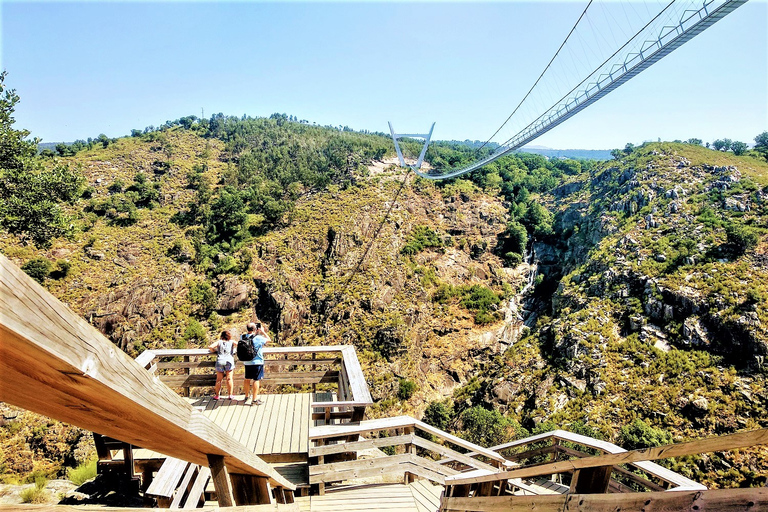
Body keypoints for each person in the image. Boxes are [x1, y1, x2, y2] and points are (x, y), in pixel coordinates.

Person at [242, 322, 270, 406]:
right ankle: (254, 399)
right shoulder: (258, 338)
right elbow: (268, 340)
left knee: (247, 379)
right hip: (257, 361)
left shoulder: (242, 337)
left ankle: (246, 396)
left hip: (247, 361)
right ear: (255, 329)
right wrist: (263, 331)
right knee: (256, 380)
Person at [208, 330, 236, 400]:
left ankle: (217, 395)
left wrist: (215, 351)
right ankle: (230, 395)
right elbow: (240, 344)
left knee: (219, 380)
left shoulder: (219, 342)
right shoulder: (231, 342)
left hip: (220, 361)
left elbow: (211, 347)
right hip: (229, 361)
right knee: (229, 378)